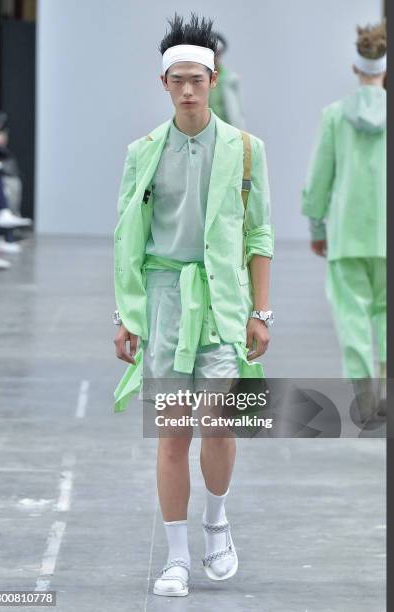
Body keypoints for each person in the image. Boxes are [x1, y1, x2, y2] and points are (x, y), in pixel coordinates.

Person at [113, 13, 274, 597]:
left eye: (196, 79)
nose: (187, 89)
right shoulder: (144, 152)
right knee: (173, 433)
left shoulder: (247, 151)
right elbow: (127, 239)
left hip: (224, 305)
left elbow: (259, 237)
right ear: (163, 82)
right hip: (163, 306)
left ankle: (217, 524)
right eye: (177, 79)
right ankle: (177, 557)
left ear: (213, 78)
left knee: (221, 428)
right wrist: (125, 315)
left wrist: (261, 311)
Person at [302, 20, 386, 422]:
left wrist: (317, 228)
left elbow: (320, 178)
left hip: (348, 235)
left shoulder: (335, 116)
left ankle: (365, 399)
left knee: (352, 314)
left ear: (356, 68)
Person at [208, 32, 246, 128]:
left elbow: (237, 111)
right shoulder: (200, 79)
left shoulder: (231, 79)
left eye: (218, 53)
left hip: (229, 130)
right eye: (213, 53)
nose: (215, 58)